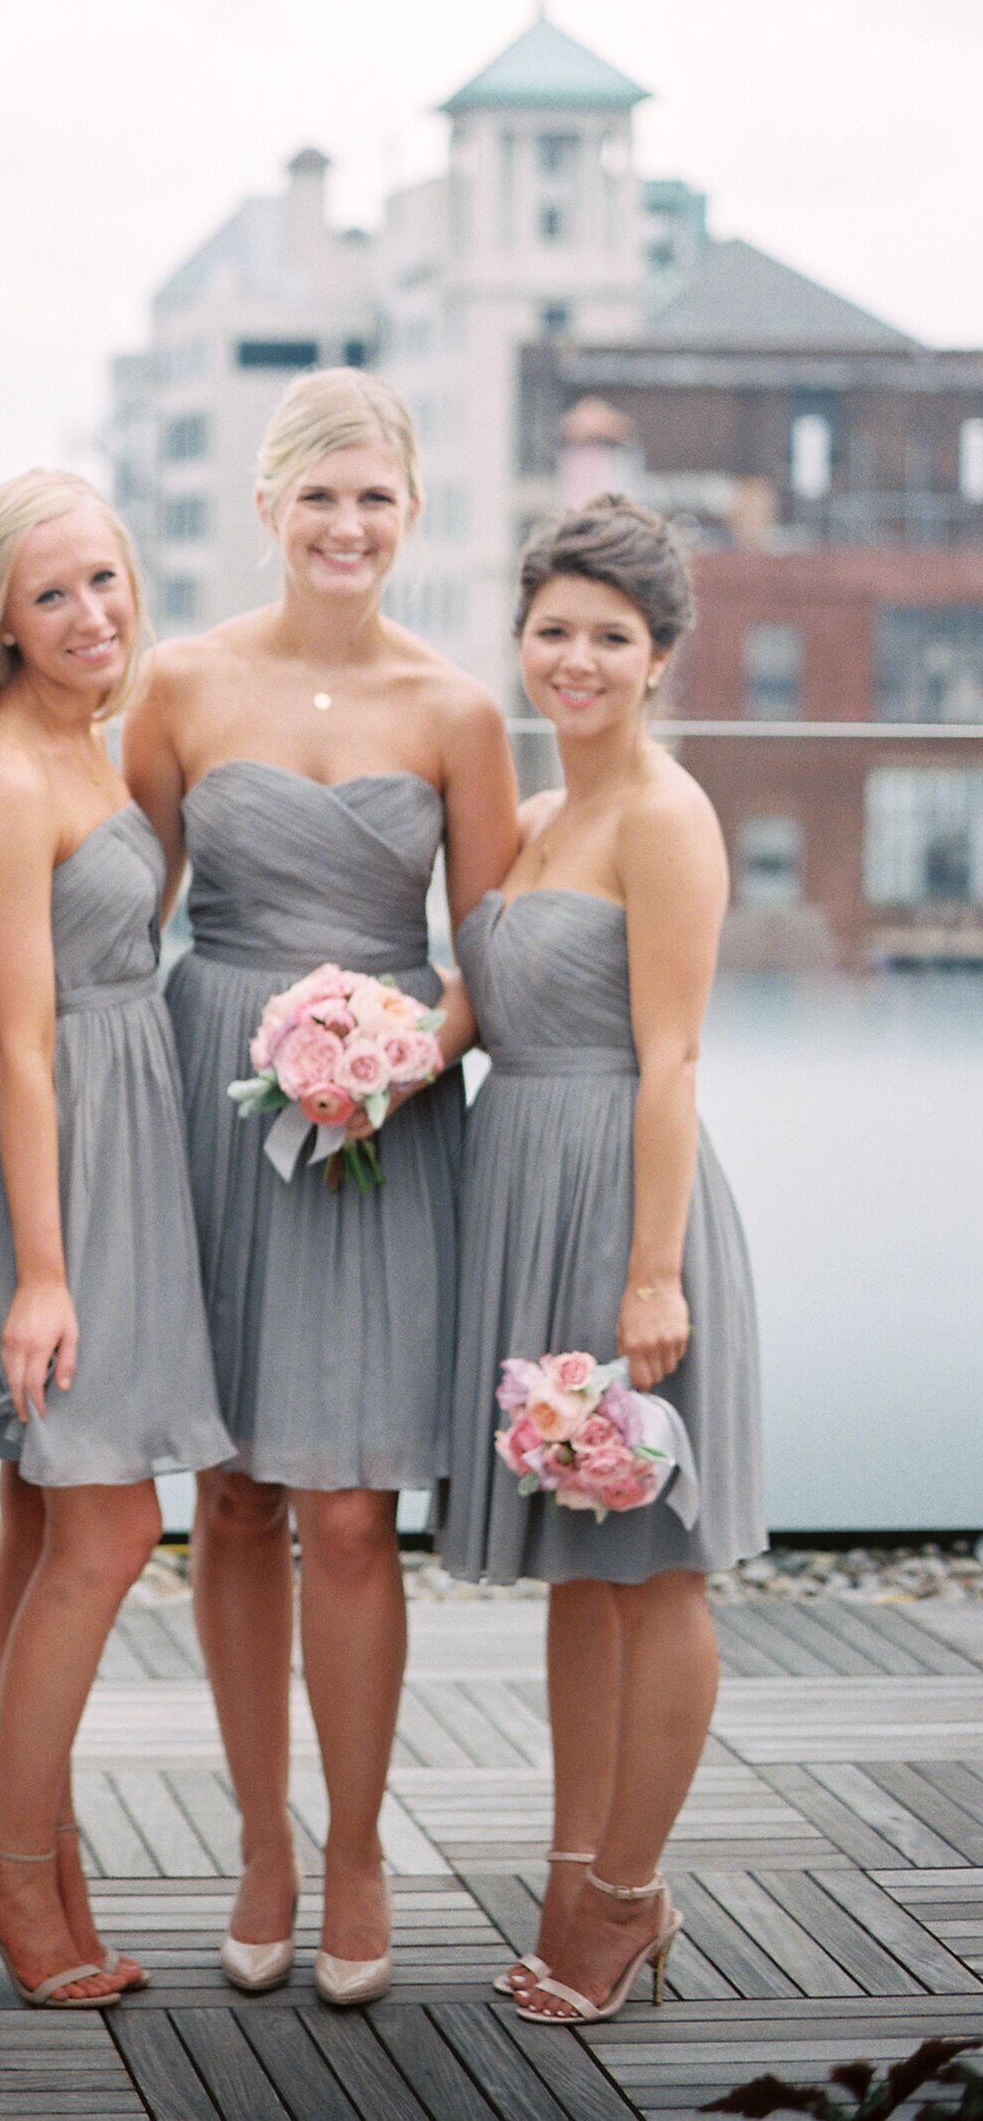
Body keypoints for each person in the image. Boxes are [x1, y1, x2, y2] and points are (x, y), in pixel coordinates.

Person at [124, 367, 519, 2004]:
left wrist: (397, 1051)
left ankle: (354, 1845)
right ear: (266, 509)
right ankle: (259, 1840)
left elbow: (488, 960)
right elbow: (110, 908)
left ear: (408, 514)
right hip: (208, 1090)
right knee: (227, 1491)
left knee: (350, 1507)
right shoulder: (176, 684)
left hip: (376, 1121)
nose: (345, 526)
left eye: (374, 498)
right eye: (317, 497)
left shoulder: (457, 711)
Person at [433, 496, 764, 2025]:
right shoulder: (541, 813)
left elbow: (674, 1056)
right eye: (552, 630)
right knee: (580, 1563)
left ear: (659, 657)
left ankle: (628, 1893)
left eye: (607, 638)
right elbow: (485, 994)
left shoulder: (661, 812)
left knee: (654, 1563)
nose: (574, 659)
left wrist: (650, 1274)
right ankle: (575, 1866)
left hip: (626, 1196)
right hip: (523, 1183)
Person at [0, 471, 235, 2009]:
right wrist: (43, 1270)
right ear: (0, 616)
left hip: (127, 1117)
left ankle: (36, 1849)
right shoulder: (0, 770)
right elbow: (28, 1038)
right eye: (52, 594)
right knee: (111, 1529)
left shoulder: (90, 740)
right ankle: (2, 1857)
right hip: (63, 1148)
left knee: (49, 1523)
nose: (89, 613)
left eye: (104, 580)